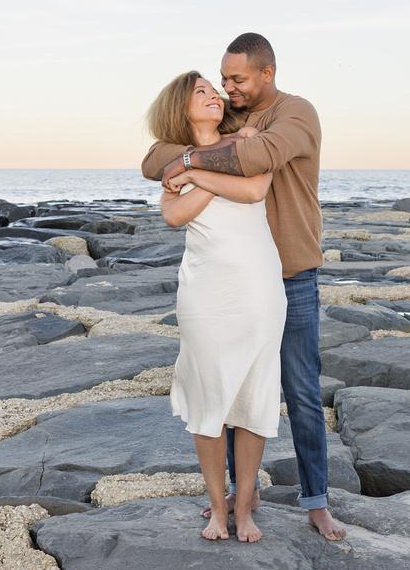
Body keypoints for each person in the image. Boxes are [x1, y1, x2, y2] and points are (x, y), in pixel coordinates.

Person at [143, 32, 347, 541]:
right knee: (234, 390)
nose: (227, 88)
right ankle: (239, 496)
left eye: (236, 79)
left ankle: (317, 502)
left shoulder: (295, 113)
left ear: (266, 73)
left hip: (290, 273)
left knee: (301, 391)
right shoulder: (232, 121)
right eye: (221, 80)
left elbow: (258, 162)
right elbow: (153, 159)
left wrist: (190, 163)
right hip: (230, 281)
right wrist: (194, 154)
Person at [150, 70, 283, 542]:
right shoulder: (177, 158)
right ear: (180, 108)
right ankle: (217, 508)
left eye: (214, 89)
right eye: (200, 92)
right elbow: (174, 213)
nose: (213, 95)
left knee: (253, 397)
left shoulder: (247, 142)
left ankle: (244, 508)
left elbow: (255, 190)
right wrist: (197, 173)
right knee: (209, 399)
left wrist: (193, 175)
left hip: (259, 288)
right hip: (205, 293)